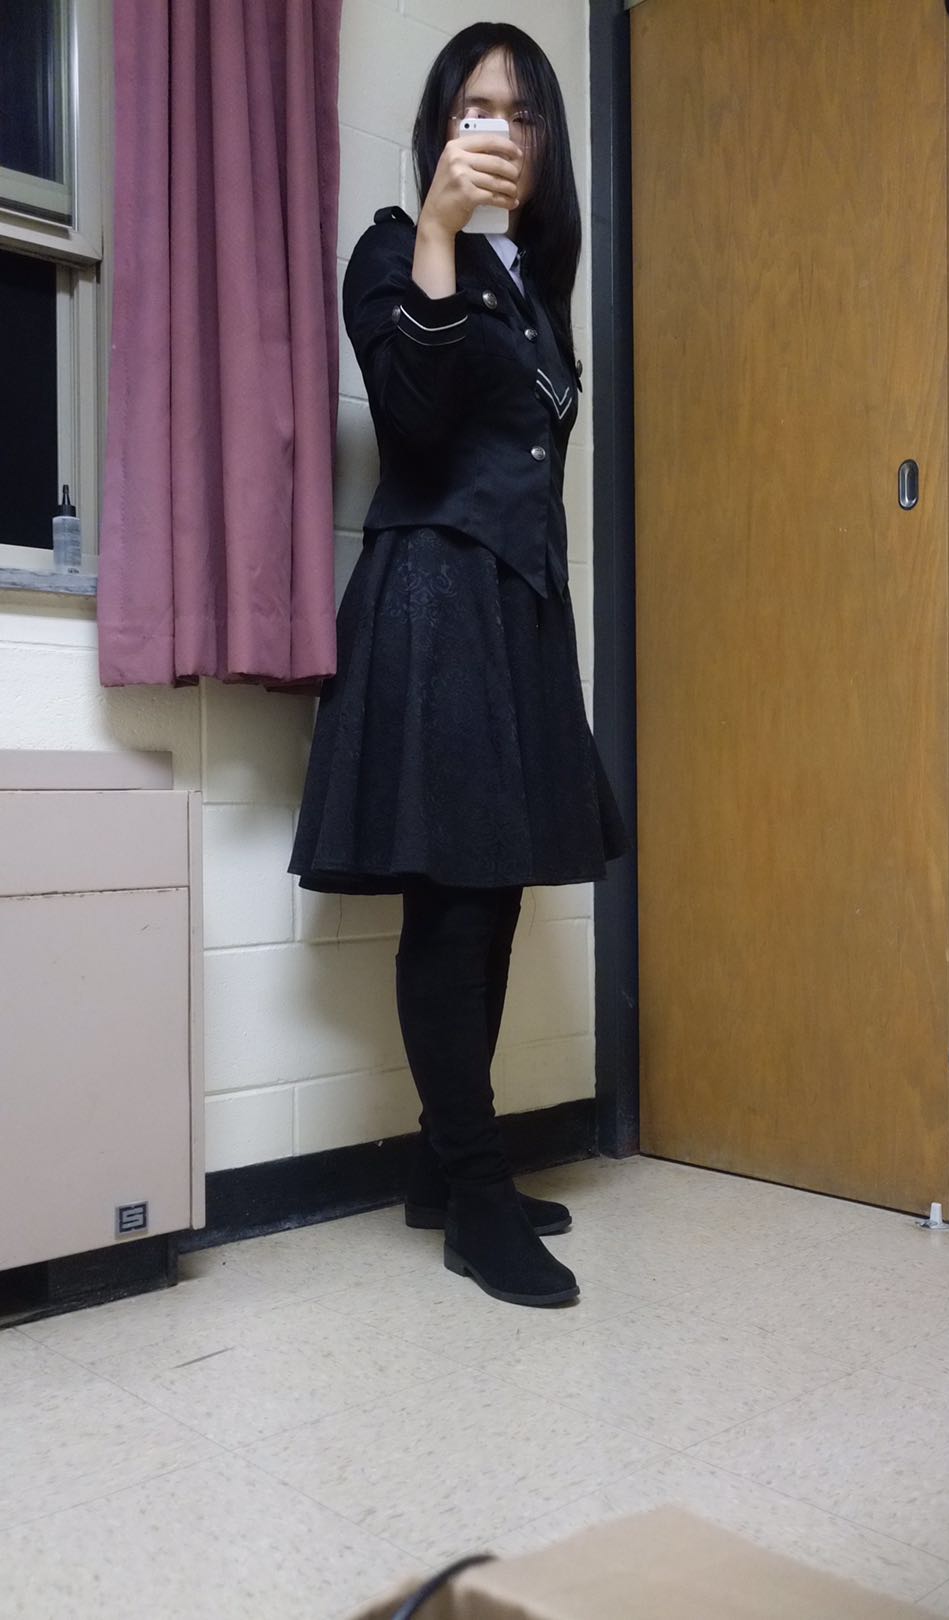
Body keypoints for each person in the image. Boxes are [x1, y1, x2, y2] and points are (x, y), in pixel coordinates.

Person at [288, 22, 630, 1309]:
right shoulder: (394, 250)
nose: (498, 130)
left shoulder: (537, 290)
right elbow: (415, 428)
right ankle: (476, 1198)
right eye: (473, 107)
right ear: (443, 128)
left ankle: (446, 1170)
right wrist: (436, 230)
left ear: (545, 144)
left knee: (498, 896)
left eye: (521, 111)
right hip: (435, 601)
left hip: (518, 608)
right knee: (455, 902)